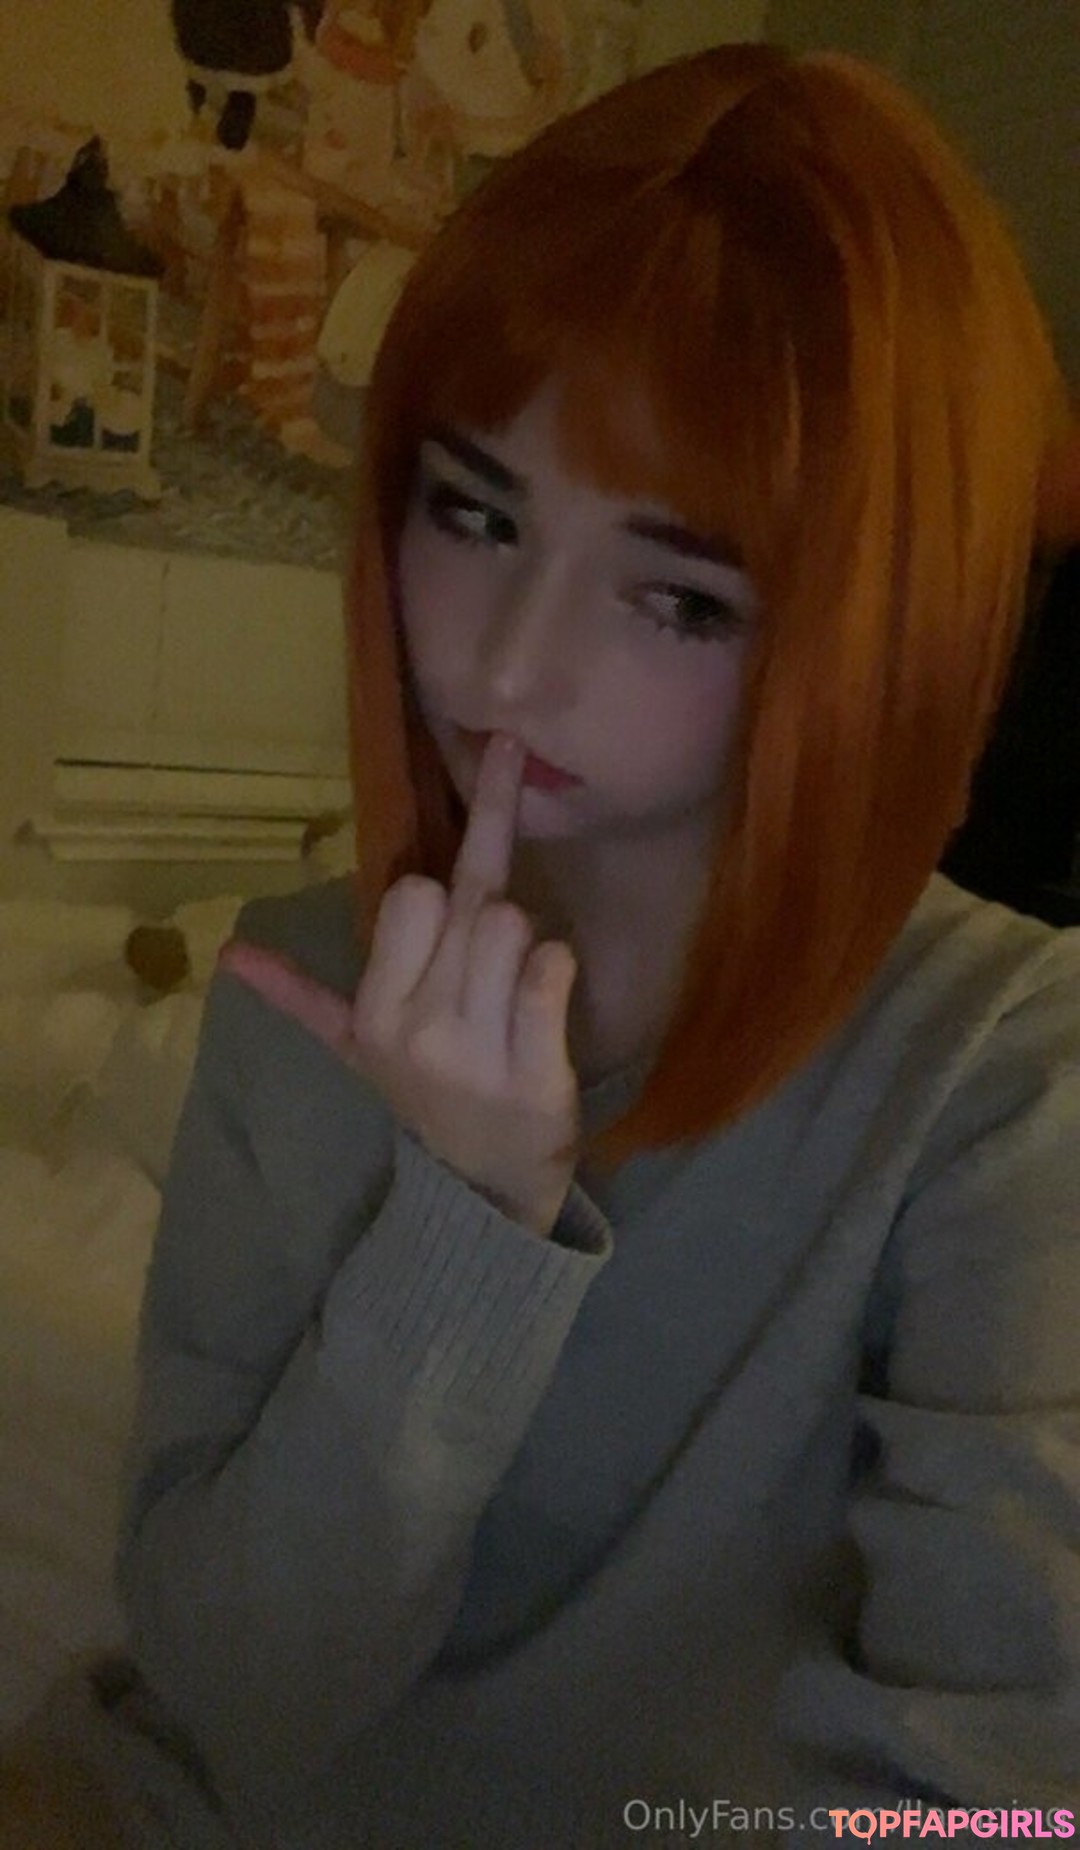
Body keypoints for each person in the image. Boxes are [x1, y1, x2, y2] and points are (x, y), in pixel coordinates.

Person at [3, 38, 1079, 1850]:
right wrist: (466, 1231)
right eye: (478, 513)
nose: (509, 662)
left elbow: (998, 1805)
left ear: (869, 622)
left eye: (679, 596)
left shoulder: (1007, 1074)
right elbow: (231, 1694)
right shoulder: (295, 984)